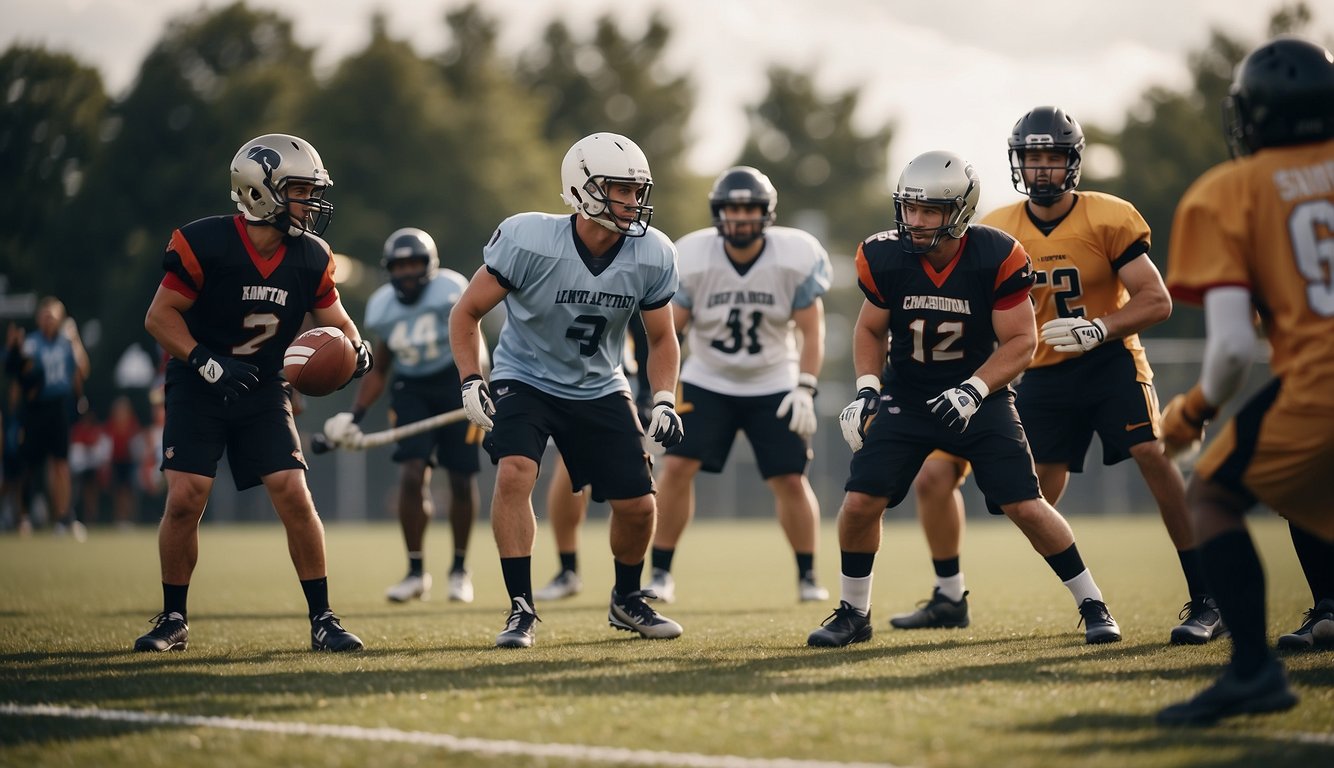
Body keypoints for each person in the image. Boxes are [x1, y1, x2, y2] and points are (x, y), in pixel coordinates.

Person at [892, 107, 1217, 645]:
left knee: (1153, 458)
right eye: (1032, 158)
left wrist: (1099, 328)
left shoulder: (1108, 217)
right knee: (1029, 497)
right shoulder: (997, 227)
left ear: (1072, 162)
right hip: (1039, 373)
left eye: (1052, 157)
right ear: (1017, 163)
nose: (1041, 169)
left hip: (1109, 361)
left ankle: (1208, 597)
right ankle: (967, 595)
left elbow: (1156, 300)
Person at [807, 150, 1121, 648]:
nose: (915, 220)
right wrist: (868, 388)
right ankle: (853, 612)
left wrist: (975, 388)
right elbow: (870, 328)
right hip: (907, 395)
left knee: (1025, 503)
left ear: (959, 211)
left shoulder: (996, 255)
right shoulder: (885, 255)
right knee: (861, 501)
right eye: (909, 208)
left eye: (929, 210)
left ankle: (1093, 603)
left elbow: (1022, 342)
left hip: (981, 395)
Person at [133, 133, 372, 653]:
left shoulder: (311, 256)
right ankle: (173, 617)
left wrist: (357, 350)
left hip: (263, 385)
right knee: (185, 497)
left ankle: (323, 618)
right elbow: (159, 317)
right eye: (300, 191)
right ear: (261, 191)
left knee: (292, 490)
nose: (310, 203)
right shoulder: (206, 243)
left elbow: (339, 323)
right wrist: (204, 360)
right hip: (198, 382)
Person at [1155, 37, 1334, 726]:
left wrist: (1193, 411)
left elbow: (1233, 345)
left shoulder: (1228, 191)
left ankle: (1253, 672)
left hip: (1319, 384)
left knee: (1213, 497)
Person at [449, 131, 685, 648]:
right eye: (619, 189)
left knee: (640, 506)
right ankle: (521, 608)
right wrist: (471, 379)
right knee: (516, 472)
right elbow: (466, 312)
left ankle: (626, 599)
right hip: (525, 377)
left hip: (600, 384)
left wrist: (664, 397)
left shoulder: (651, 253)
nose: (632, 201)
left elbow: (663, 338)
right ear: (582, 188)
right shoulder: (530, 239)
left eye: (636, 190)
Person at [645, 166, 832, 604]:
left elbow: (812, 329)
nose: (741, 217)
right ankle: (661, 573)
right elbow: (670, 333)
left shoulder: (792, 255)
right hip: (708, 377)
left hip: (774, 378)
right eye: (733, 208)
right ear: (718, 212)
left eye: (750, 208)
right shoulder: (693, 256)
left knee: (789, 478)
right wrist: (661, 393)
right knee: (676, 469)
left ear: (767, 213)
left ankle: (807, 575)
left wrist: (805, 386)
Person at [323, 227, 481, 604]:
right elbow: (381, 368)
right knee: (412, 474)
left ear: (429, 266)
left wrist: (478, 382)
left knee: (460, 478)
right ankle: (415, 571)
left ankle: (459, 569)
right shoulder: (383, 307)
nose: (407, 273)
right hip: (411, 389)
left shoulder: (450, 291)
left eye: (414, 264)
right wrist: (355, 415)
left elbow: (473, 337)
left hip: (454, 381)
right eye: (399, 266)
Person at [534, 313, 654, 601]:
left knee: (635, 490)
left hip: (617, 385)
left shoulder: (633, 274)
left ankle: (629, 584)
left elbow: (649, 331)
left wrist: (650, 394)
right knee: (568, 471)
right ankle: (568, 569)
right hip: (571, 384)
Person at [5, 297, 91, 540]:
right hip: (34, 408)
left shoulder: (67, 344)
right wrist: (15, 413)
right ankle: (23, 516)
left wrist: (75, 340)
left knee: (61, 464)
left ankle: (63, 517)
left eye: (52, 317)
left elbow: (82, 371)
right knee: (29, 465)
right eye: (44, 316)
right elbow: (18, 380)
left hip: (58, 408)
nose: (48, 321)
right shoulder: (31, 344)